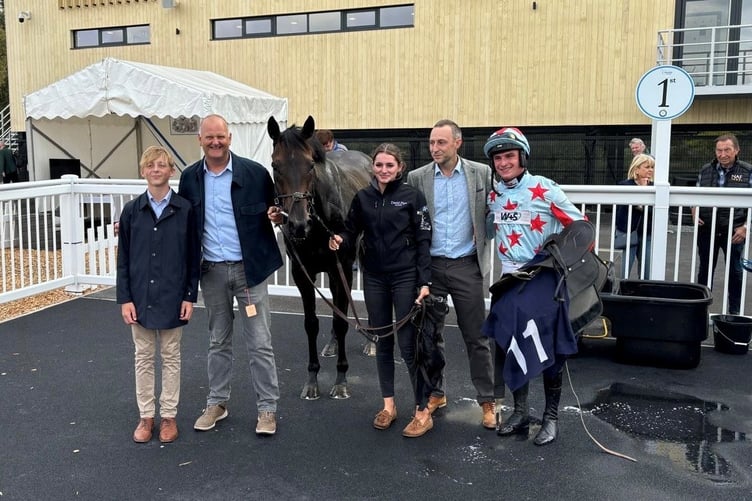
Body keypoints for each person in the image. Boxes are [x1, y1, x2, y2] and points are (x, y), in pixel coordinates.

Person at [178, 114, 284, 435]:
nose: (215, 142)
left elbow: (278, 210)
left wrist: (278, 215)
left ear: (230, 137)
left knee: (260, 343)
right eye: (209, 137)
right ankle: (217, 403)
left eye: (220, 137)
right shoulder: (189, 179)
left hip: (249, 272)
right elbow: (181, 225)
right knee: (218, 340)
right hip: (210, 271)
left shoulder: (255, 174)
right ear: (200, 140)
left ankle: (267, 410)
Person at [483, 127, 584, 446]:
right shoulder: (495, 194)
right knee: (511, 346)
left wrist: (554, 258)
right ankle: (521, 411)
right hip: (509, 282)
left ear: (522, 157)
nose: (503, 163)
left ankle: (551, 418)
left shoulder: (546, 189)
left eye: (509, 156)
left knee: (549, 351)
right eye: (498, 158)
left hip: (544, 281)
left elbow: (581, 230)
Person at [328, 143, 433, 437]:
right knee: (383, 341)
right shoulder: (363, 198)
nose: (384, 170)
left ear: (400, 167)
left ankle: (422, 410)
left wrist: (424, 281)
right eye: (379, 165)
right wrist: (340, 239)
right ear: (373, 167)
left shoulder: (413, 197)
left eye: (389, 165)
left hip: (405, 277)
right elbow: (351, 231)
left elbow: (424, 240)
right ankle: (389, 406)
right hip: (374, 278)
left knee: (409, 344)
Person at [406, 119, 498, 430]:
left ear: (457, 143)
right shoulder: (417, 178)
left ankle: (487, 400)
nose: (435, 148)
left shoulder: (481, 173)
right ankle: (436, 393)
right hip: (430, 266)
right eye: (432, 143)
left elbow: (496, 210)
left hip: (466, 264)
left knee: (476, 336)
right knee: (430, 337)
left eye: (441, 143)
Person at [116, 146, 200, 443]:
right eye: (150, 165)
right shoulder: (132, 211)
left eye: (161, 165)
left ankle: (168, 417)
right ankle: (146, 416)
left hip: (173, 295)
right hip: (139, 296)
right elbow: (123, 258)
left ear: (171, 170)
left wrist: (190, 295)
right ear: (143, 171)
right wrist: (125, 298)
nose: (156, 169)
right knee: (143, 357)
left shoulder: (184, 209)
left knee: (171, 356)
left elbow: (193, 257)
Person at [694, 133, 752, 315]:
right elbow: (694, 195)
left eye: (727, 149)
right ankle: (699, 311)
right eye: (719, 150)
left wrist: (746, 227)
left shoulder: (747, 171)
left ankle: (734, 313)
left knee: (735, 273)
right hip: (707, 230)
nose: (723, 154)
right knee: (704, 271)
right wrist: (694, 210)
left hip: (735, 232)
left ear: (736, 150)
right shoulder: (705, 170)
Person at [615, 154, 655, 278]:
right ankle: (623, 292)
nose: (650, 170)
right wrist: (643, 190)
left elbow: (654, 211)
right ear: (636, 169)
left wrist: (641, 206)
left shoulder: (655, 187)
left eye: (652, 167)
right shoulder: (625, 185)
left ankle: (644, 293)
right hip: (628, 233)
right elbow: (624, 210)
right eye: (647, 167)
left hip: (647, 232)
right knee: (625, 269)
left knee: (647, 270)